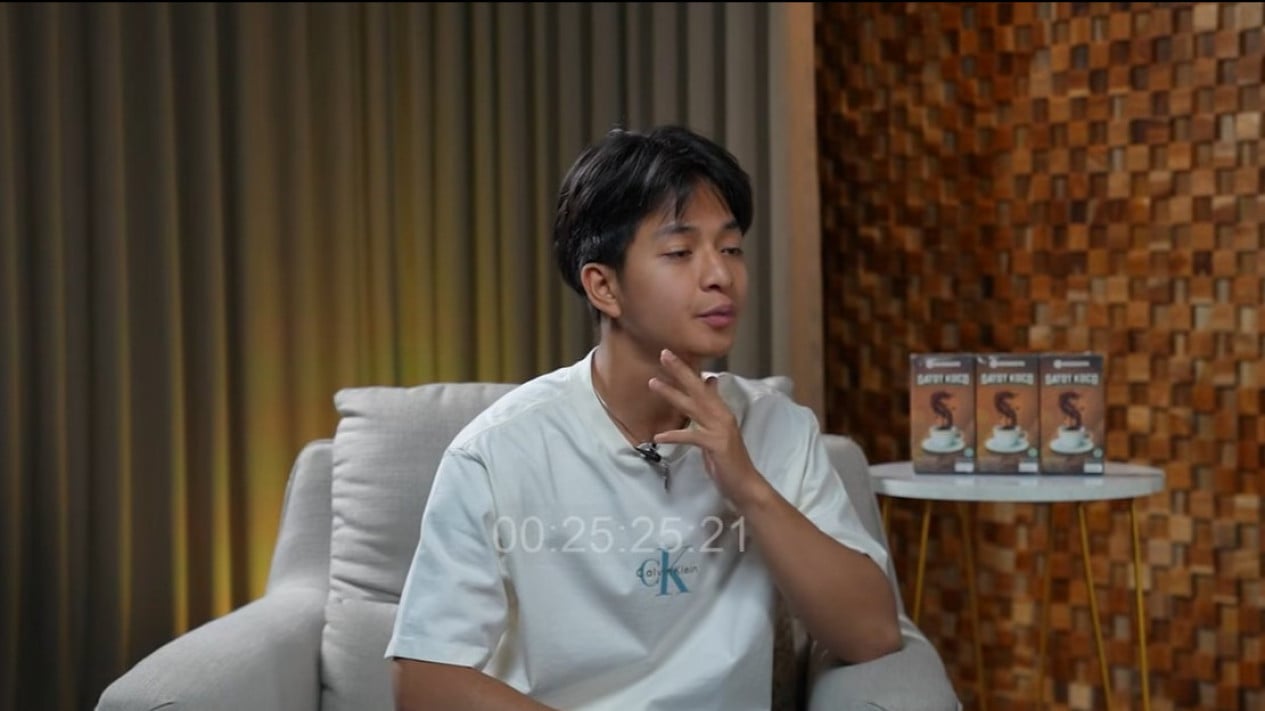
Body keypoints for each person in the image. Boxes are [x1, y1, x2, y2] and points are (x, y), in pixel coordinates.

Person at [387, 125, 902, 710]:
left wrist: (749, 488)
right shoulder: (498, 451)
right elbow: (423, 679)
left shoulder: (777, 428)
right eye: (681, 253)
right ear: (603, 287)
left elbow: (872, 634)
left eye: (731, 248)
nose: (720, 275)